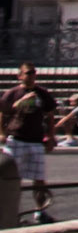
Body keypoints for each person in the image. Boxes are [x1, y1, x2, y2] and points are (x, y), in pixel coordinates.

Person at [0, 62, 58, 223]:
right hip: (16, 139)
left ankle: (40, 211)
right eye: (28, 73)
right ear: (20, 76)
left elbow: (50, 115)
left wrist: (51, 136)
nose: (31, 76)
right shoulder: (13, 93)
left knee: (39, 179)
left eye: (33, 73)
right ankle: (9, 213)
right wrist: (2, 133)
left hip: (35, 140)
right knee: (11, 177)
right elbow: (3, 113)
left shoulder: (42, 93)